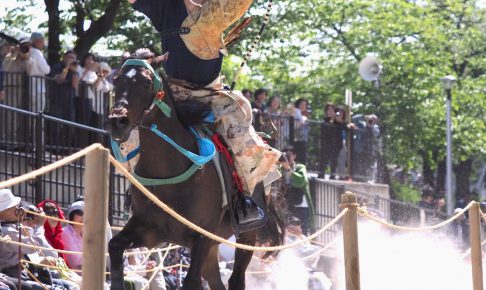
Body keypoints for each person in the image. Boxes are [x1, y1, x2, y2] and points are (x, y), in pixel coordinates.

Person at [128, 0, 282, 226]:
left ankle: (245, 200)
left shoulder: (216, 10)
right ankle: (136, 191)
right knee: (132, 134)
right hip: (174, 95)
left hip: (211, 97)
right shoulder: (167, 7)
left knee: (242, 141)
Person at [0, 189, 78, 290]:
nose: (17, 209)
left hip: (28, 272)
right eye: (13, 207)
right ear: (4, 211)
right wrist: (39, 226)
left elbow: (52, 254)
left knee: (69, 286)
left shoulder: (13, 226)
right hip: (15, 274)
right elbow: (33, 247)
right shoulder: (6, 231)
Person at [281, 146, 315, 235]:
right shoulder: (281, 169)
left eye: (289, 155)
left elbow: (301, 181)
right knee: (289, 231)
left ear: (294, 156)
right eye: (285, 155)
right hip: (288, 205)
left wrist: (289, 169)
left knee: (302, 231)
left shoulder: (300, 167)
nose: (287, 158)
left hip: (301, 206)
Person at [29, 32, 50, 112]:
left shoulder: (28, 51)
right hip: (38, 89)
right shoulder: (37, 53)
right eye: (42, 41)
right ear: (37, 41)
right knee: (38, 113)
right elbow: (47, 70)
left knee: (30, 113)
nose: (43, 43)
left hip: (29, 87)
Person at [61, 201, 84, 270]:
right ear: (71, 216)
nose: (84, 216)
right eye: (80, 213)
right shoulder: (65, 233)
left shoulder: (88, 233)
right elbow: (74, 263)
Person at [293, 98, 309, 164]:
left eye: (305, 105)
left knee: (302, 157)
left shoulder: (304, 115)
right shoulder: (296, 111)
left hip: (302, 139)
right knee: (297, 156)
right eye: (302, 104)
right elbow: (297, 125)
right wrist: (303, 119)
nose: (303, 106)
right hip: (296, 138)